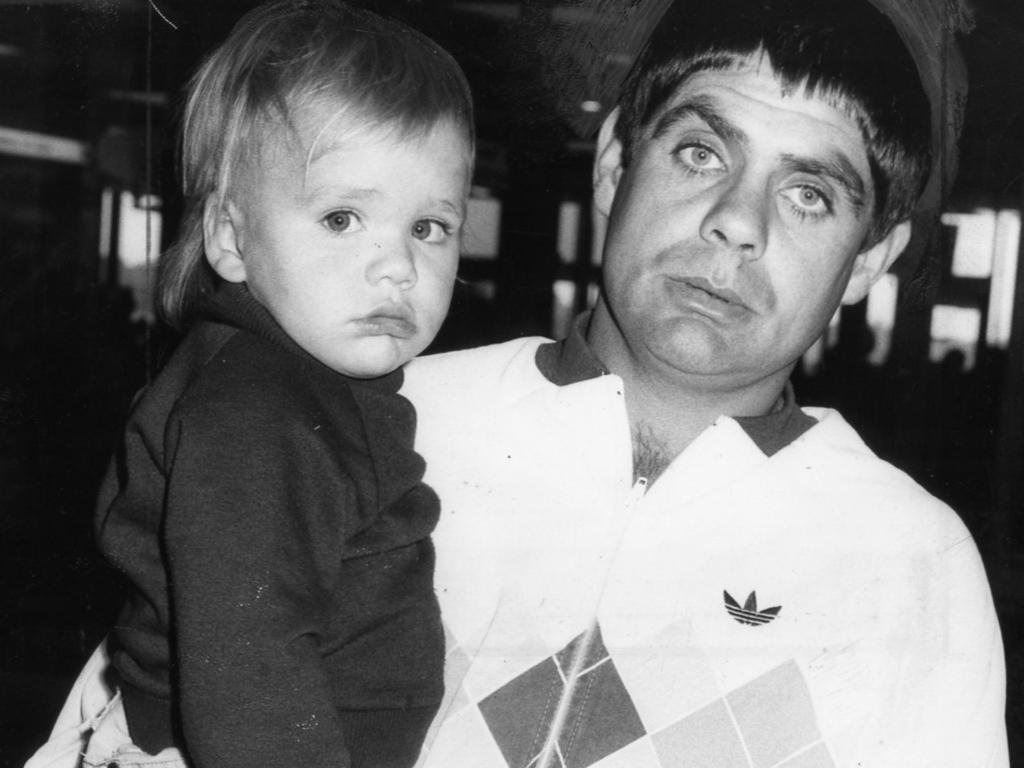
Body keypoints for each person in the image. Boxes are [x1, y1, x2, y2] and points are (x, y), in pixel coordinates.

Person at [401, 0, 1008, 766]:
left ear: (866, 262)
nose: (737, 221)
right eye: (701, 153)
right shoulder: (395, 419)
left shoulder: (915, 563)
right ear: (615, 165)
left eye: (808, 195)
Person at [26, 2, 474, 767]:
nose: (398, 265)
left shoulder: (311, 385)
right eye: (341, 218)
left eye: (428, 227)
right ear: (231, 239)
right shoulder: (254, 408)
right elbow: (244, 658)